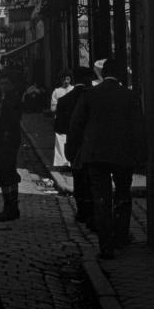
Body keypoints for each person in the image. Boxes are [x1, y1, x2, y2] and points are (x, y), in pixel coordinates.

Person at [68, 59, 143, 259]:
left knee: (101, 199)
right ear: (121, 75)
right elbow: (138, 129)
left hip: (95, 155)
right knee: (122, 196)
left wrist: (73, 151)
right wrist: (139, 154)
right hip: (122, 154)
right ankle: (120, 237)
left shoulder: (90, 94)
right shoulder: (130, 96)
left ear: (102, 74)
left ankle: (105, 246)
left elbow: (76, 125)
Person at [56, 66, 95, 228]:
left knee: (79, 179)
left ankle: (82, 212)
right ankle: (93, 212)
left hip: (75, 145)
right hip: (93, 144)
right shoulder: (94, 96)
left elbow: (59, 127)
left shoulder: (65, 100)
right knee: (93, 178)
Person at [0, 71, 23, 222]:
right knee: (8, 172)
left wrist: (5, 137)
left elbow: (11, 121)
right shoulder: (9, 98)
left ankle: (9, 208)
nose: (3, 86)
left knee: (5, 172)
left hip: (8, 140)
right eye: (1, 83)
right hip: (10, 140)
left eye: (5, 83)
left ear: (11, 84)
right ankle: (12, 208)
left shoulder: (11, 99)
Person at [51, 70, 74, 167]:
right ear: (61, 80)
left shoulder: (73, 89)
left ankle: (70, 162)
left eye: (68, 79)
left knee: (72, 140)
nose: (66, 81)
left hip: (72, 118)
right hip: (61, 118)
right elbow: (52, 108)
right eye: (64, 79)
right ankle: (62, 163)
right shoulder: (57, 91)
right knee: (61, 140)